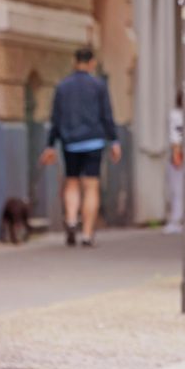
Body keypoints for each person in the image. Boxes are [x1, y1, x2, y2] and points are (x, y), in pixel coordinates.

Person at [39, 47, 122, 247]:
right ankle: (86, 233)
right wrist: (115, 141)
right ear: (92, 62)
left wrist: (50, 145)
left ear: (74, 62)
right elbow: (107, 116)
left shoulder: (62, 87)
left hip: (70, 142)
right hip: (94, 140)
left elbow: (55, 118)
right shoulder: (99, 86)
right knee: (91, 185)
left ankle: (71, 219)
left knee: (72, 182)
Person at [163, 90, 184, 234]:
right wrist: (176, 154)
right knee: (178, 190)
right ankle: (176, 220)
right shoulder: (177, 115)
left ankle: (178, 220)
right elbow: (175, 137)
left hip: (184, 154)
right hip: (181, 154)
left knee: (178, 190)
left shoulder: (178, 115)